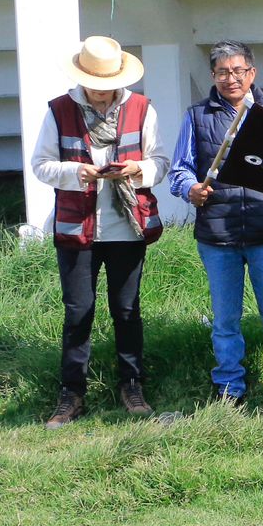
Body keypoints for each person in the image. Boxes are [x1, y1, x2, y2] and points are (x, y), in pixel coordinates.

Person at [168, 40, 263, 404]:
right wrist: (191, 190)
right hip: (218, 233)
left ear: (252, 72)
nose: (230, 78)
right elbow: (178, 171)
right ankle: (230, 384)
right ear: (212, 76)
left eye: (238, 71)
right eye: (222, 72)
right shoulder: (197, 116)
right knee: (225, 319)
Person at [30, 36, 168, 428]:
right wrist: (78, 172)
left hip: (127, 225)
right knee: (78, 313)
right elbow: (41, 166)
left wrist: (137, 170)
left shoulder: (142, 109)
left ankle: (132, 384)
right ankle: (71, 394)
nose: (100, 91)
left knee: (127, 311)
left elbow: (160, 160)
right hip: (78, 227)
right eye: (93, 82)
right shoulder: (59, 110)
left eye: (106, 84)